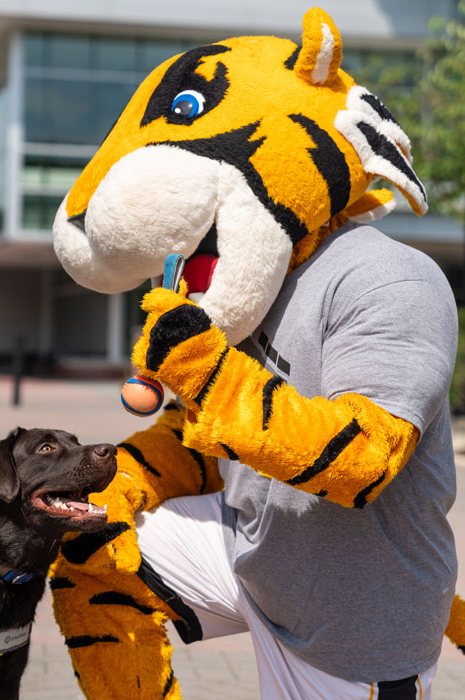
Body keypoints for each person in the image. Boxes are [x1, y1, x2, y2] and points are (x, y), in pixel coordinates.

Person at [50, 7, 464, 699]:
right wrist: (121, 478)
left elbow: (365, 460)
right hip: (250, 553)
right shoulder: (254, 277)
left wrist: (207, 372)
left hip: (353, 625)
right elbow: (211, 439)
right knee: (94, 554)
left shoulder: (390, 278)